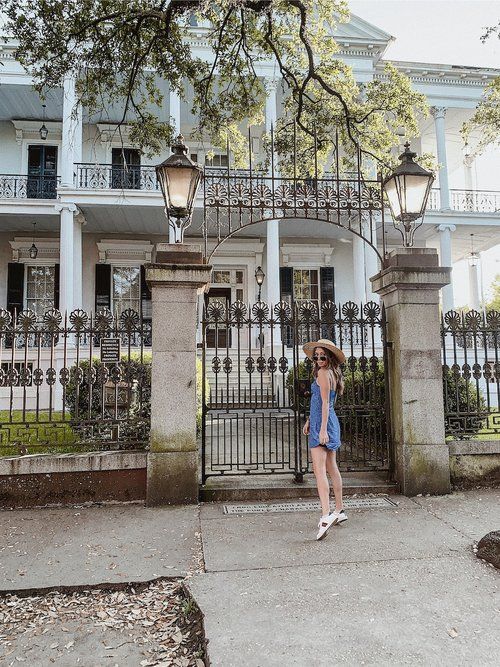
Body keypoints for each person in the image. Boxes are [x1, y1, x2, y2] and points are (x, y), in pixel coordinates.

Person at [302, 338, 347, 540]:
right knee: (332, 467)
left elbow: (325, 404)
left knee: (319, 471)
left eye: (322, 356)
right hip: (329, 423)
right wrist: (310, 420)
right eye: (316, 356)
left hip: (324, 425)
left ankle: (325, 516)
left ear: (329, 357)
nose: (319, 359)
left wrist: (320, 430)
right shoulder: (332, 373)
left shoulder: (322, 373)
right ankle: (339, 510)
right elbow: (321, 402)